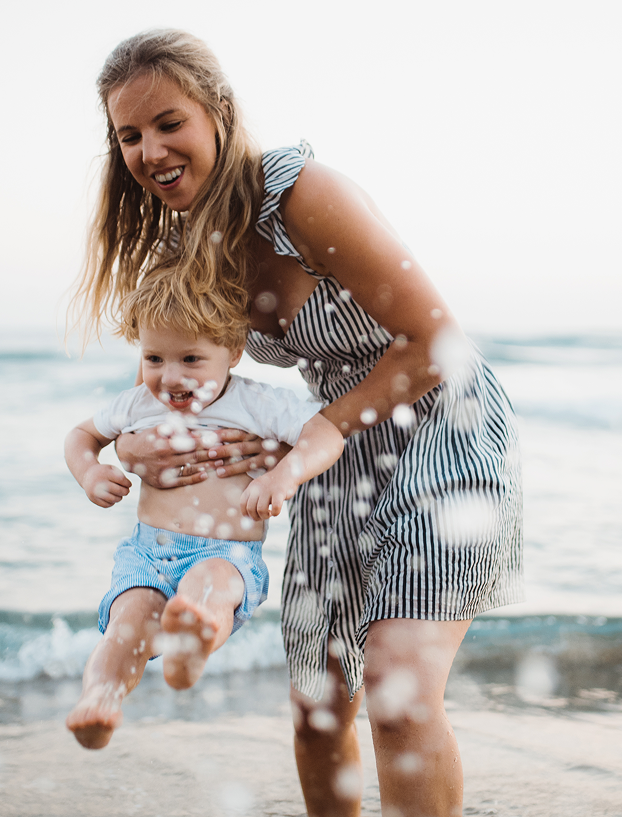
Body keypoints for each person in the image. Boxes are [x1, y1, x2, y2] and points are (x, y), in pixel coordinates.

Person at [68, 29, 523, 815]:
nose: (149, 149)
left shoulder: (301, 194)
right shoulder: (190, 244)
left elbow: (437, 340)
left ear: (216, 110)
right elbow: (191, 377)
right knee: (320, 711)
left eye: (168, 122)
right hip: (329, 447)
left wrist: (324, 430)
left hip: (441, 429)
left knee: (397, 688)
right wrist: (163, 444)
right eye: (130, 134)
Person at [65, 263, 344, 750]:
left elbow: (326, 434)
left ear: (233, 351)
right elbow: (81, 435)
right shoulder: (138, 403)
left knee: (205, 590)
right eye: (154, 358)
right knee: (127, 625)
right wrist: (90, 471)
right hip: (146, 552)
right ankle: (100, 698)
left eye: (191, 359)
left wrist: (285, 473)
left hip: (225, 554)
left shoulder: (256, 404)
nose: (170, 378)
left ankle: (191, 646)